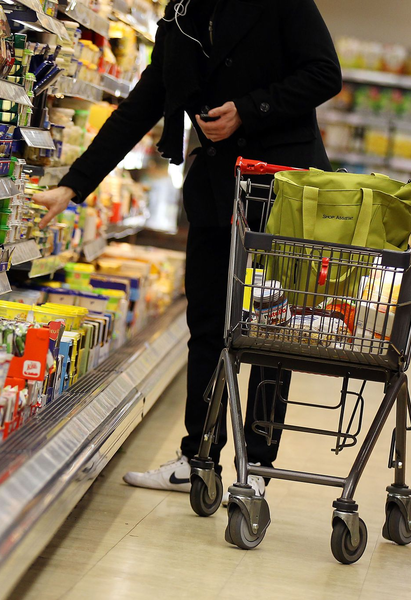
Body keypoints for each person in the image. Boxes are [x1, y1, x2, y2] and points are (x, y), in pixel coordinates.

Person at [34, 0, 342, 495]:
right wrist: (73, 185)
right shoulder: (182, 17)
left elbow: (325, 73)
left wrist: (248, 110)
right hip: (215, 191)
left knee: (270, 333)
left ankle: (257, 469)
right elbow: (140, 106)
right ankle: (198, 458)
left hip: (280, 189)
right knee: (206, 326)